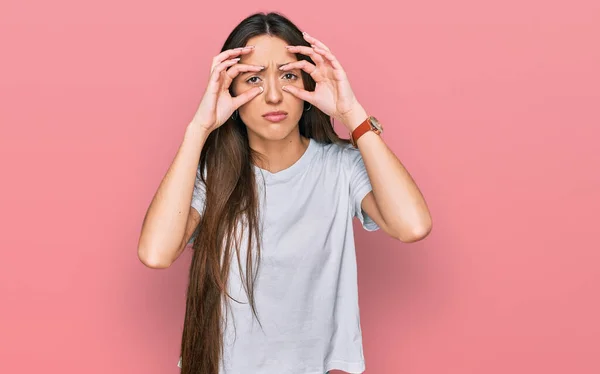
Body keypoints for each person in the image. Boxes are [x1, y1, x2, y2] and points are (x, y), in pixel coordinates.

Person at [137, 11, 432, 374]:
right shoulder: (211, 174)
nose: (274, 95)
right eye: (253, 79)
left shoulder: (339, 167)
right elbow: (155, 253)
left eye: (288, 75)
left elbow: (413, 225)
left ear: (308, 87)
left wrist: (352, 113)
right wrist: (199, 128)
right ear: (230, 91)